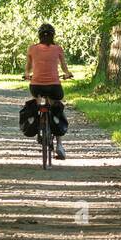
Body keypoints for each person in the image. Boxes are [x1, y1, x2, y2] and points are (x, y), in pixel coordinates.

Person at [24, 22, 73, 159]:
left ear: (39, 36)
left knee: (36, 102)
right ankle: (59, 145)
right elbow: (64, 67)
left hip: (36, 86)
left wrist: (27, 75)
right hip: (54, 87)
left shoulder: (32, 49)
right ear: (53, 36)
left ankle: (37, 120)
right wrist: (67, 74)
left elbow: (28, 67)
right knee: (56, 107)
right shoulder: (58, 49)